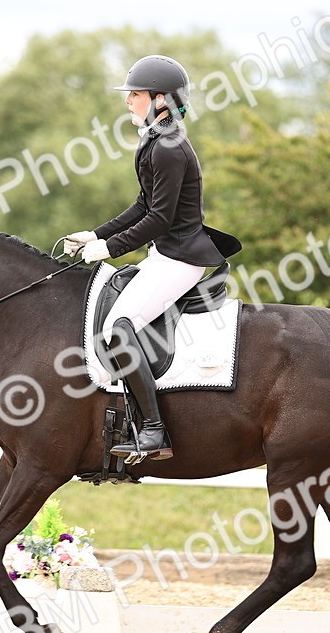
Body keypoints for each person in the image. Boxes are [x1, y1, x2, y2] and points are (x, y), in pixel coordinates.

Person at [64, 55, 227, 461]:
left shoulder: (169, 147)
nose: (128, 101)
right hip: (165, 253)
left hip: (181, 258)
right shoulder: (156, 138)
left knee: (119, 328)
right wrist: (96, 234)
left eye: (134, 94)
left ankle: (155, 431)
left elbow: (160, 218)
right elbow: (143, 204)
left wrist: (109, 249)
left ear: (160, 100)